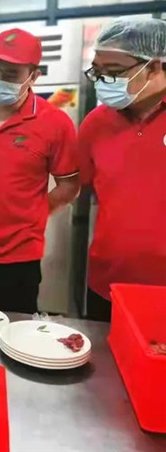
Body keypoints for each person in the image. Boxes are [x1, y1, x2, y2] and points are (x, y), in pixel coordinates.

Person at [0, 28, 80, 314]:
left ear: (33, 76)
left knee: (17, 328)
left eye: (10, 75)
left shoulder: (56, 123)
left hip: (18, 254)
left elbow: (69, 185)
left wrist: (34, 213)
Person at [78, 18, 166, 322]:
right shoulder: (95, 124)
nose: (104, 81)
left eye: (114, 72)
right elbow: (81, 183)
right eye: (97, 72)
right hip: (107, 283)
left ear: (155, 67)